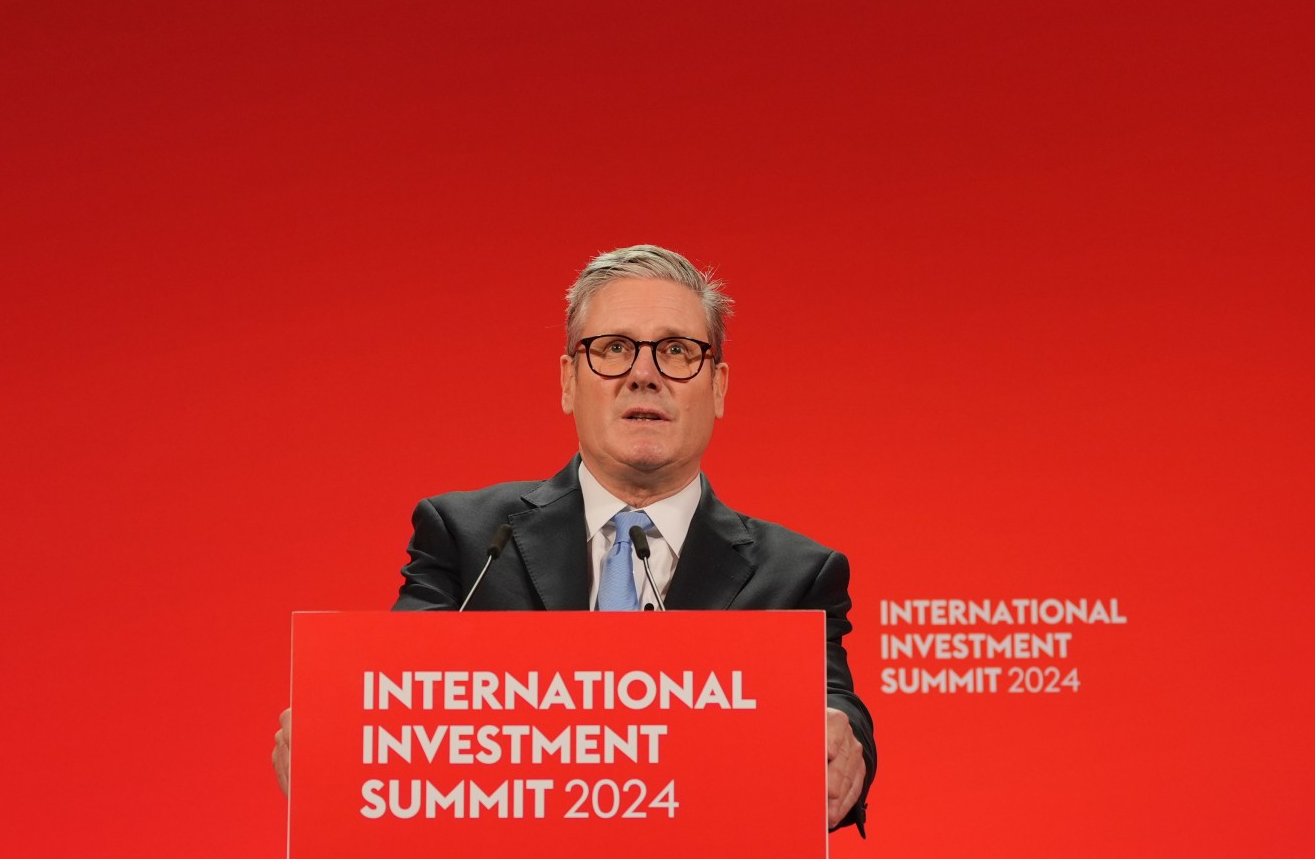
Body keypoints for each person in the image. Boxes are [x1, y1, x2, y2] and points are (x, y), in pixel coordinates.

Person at [272, 244, 876, 833]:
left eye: (676, 350)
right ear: (568, 381)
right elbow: (397, 693)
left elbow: (833, 706)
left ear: (717, 386)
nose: (644, 374)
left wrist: (846, 741)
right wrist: (337, 730)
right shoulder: (469, 537)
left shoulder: (796, 573)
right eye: (613, 349)